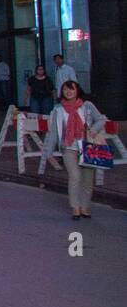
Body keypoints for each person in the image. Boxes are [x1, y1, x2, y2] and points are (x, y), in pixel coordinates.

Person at [43, 81, 107, 220]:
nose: (68, 92)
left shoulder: (87, 106)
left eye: (71, 89)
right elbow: (54, 131)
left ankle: (85, 207)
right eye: (66, 89)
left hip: (87, 146)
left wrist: (93, 130)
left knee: (87, 179)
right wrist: (48, 152)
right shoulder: (58, 109)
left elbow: (101, 120)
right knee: (75, 176)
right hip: (69, 147)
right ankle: (75, 207)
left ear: (77, 90)